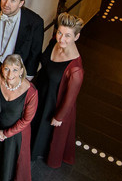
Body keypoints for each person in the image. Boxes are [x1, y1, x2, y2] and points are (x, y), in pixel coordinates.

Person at [31, 13, 84, 168]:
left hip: (52, 102)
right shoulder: (54, 41)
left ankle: (34, 154)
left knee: (42, 129)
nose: (62, 39)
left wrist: (59, 117)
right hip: (40, 89)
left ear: (77, 37)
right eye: (60, 33)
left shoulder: (76, 70)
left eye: (68, 36)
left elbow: (70, 99)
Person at [0, 54, 38, 181]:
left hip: (16, 132)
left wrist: (5, 133)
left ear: (21, 71)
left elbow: (26, 120)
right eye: (6, 68)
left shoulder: (31, 92)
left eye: (15, 69)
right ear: (2, 68)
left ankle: (6, 177)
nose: (10, 74)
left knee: (10, 157)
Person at [0, 0, 44, 80]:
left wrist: (27, 78)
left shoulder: (35, 22)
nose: (6, 4)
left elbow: (35, 53)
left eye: (13, 0)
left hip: (14, 71)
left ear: (21, 3)